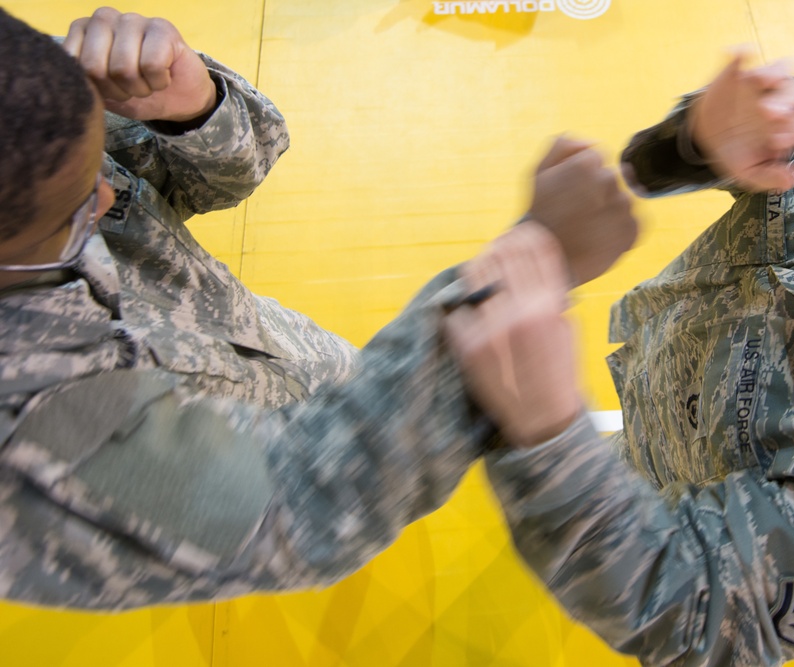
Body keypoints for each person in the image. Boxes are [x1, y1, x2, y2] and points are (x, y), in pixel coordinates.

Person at [0, 6, 636, 609]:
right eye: (79, 211)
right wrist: (523, 269)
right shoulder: (25, 434)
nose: (109, 198)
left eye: (100, 171)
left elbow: (224, 170)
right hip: (274, 463)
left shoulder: (27, 117)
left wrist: (192, 107)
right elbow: (300, 503)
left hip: (269, 347)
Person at [448, 52, 794, 665]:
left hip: (682, 505)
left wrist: (549, 436)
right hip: (654, 401)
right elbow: (663, 159)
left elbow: (694, 617)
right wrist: (696, 142)